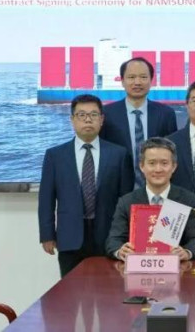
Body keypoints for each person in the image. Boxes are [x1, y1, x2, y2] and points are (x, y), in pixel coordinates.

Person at [38, 94, 133, 277]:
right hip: (69, 237)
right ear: (72, 119)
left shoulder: (119, 154)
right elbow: (46, 199)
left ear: (101, 120)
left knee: (109, 289)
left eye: (93, 114)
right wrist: (47, 235)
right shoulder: (55, 156)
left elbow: (125, 199)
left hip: (109, 237)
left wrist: (125, 235)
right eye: (81, 115)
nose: (88, 119)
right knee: (71, 290)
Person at [106, 137, 195, 262]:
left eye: (164, 163)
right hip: (138, 269)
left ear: (174, 167)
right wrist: (120, 251)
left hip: (178, 269)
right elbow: (113, 240)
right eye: (152, 163)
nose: (158, 169)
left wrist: (186, 252)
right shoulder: (126, 202)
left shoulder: (189, 201)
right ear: (142, 166)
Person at [99, 57, 178, 188]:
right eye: (131, 77)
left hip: (158, 187)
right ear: (122, 81)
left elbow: (172, 153)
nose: (137, 82)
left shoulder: (166, 114)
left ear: (151, 80)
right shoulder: (107, 114)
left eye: (143, 77)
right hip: (117, 188)